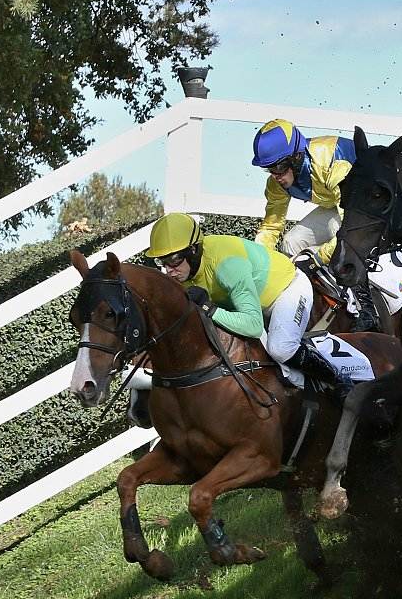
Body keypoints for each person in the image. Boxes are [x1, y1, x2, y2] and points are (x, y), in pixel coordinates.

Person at [144, 212, 354, 398]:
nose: (169, 270)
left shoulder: (227, 265)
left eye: (174, 260)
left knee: (281, 349)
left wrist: (210, 308)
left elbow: (253, 326)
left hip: (287, 290)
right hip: (252, 304)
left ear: (193, 250)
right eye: (162, 262)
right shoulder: (184, 271)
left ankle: (338, 381)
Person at [250, 118, 384, 328]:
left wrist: (317, 259)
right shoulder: (276, 184)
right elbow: (271, 226)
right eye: (269, 169)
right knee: (291, 242)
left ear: (296, 157)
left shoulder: (331, 164)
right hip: (338, 202)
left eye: (279, 167)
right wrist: (256, 261)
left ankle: (366, 309)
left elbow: (348, 225)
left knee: (336, 230)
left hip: (368, 203)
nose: (275, 176)